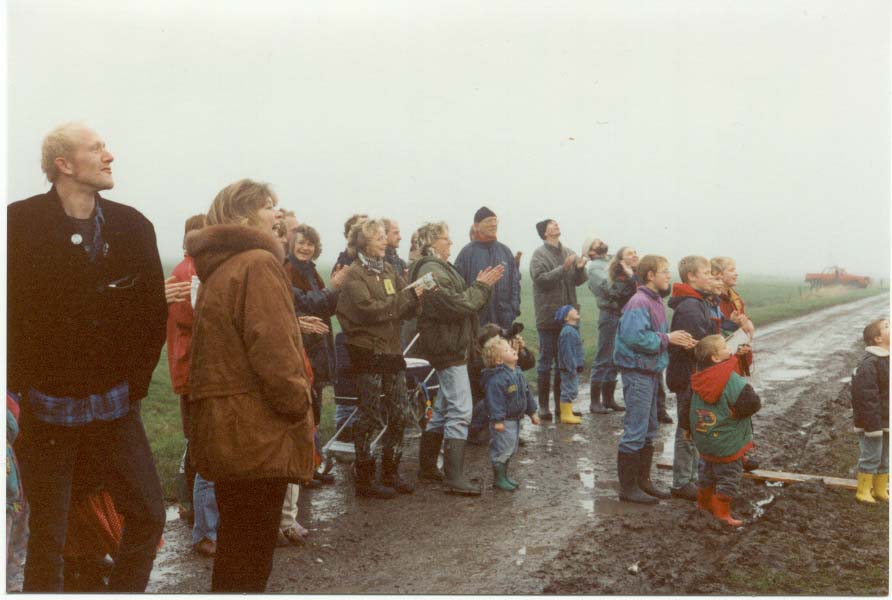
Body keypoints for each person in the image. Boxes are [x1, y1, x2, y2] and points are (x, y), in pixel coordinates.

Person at [7, 124, 167, 592]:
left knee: (148, 514)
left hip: (116, 407)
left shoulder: (132, 225)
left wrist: (134, 384)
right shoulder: (17, 224)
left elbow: (151, 314)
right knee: (48, 535)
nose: (109, 155)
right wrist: (21, 388)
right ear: (64, 164)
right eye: (97, 148)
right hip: (47, 410)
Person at [187, 178, 314, 592]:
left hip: (226, 426)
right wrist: (298, 404)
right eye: (267, 206)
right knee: (252, 555)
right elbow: (274, 351)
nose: (278, 213)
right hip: (257, 430)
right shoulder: (258, 263)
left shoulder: (220, 267)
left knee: (236, 550)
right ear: (242, 216)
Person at [409, 222, 503, 496]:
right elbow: (458, 305)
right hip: (448, 349)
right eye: (446, 239)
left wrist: (478, 289)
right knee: (461, 410)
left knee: (443, 409)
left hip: (450, 346)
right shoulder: (430, 270)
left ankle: (428, 468)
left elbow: (463, 301)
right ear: (431, 242)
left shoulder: (438, 268)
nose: (451, 243)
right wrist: (481, 287)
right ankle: (455, 476)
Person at [336, 219, 423, 499]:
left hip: (391, 350)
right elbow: (368, 310)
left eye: (384, 236)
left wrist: (417, 296)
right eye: (377, 237)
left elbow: (405, 302)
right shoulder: (354, 275)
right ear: (363, 243)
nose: (384, 241)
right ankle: (364, 478)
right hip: (367, 352)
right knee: (370, 415)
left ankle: (390, 471)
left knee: (399, 412)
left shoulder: (388, 269)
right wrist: (404, 299)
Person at [613, 255, 695, 505]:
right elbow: (634, 338)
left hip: (650, 372)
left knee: (649, 430)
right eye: (665, 271)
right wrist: (667, 339)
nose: (668, 275)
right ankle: (628, 488)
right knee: (635, 430)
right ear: (650, 275)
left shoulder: (656, 300)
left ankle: (643, 482)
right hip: (637, 372)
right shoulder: (639, 302)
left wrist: (670, 339)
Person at [166, 213, 219, 558]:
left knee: (201, 447)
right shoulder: (189, 272)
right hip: (195, 369)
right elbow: (191, 318)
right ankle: (203, 530)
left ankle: (200, 519)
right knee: (204, 450)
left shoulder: (196, 269)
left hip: (197, 368)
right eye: (195, 236)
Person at [666, 255, 723, 500]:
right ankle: (681, 482)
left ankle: (691, 477)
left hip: (695, 375)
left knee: (695, 427)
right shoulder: (690, 306)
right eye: (707, 272)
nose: (712, 277)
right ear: (691, 276)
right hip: (689, 376)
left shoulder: (698, 302)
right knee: (687, 428)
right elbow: (697, 345)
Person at [690, 335, 762, 526]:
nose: (728, 348)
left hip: (706, 440)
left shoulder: (697, 379)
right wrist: (736, 414)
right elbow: (752, 404)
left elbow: (685, 409)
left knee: (706, 474)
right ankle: (722, 514)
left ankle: (703, 505)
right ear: (715, 357)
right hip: (728, 444)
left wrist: (687, 428)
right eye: (724, 347)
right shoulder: (730, 380)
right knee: (729, 478)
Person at [530, 219, 588, 422]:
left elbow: (578, 281)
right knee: (546, 361)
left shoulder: (568, 251)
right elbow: (540, 280)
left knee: (565, 361)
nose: (556, 226)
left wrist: (580, 268)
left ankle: (562, 406)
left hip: (569, 318)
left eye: (556, 224)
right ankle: (543, 407)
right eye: (551, 225)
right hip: (548, 316)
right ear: (544, 233)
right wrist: (563, 268)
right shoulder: (538, 255)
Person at [480, 337, 540, 491]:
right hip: (504, 421)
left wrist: (532, 412)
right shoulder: (497, 379)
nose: (513, 350)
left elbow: (526, 394)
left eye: (510, 348)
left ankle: (504, 476)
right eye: (507, 350)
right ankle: (499, 479)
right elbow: (495, 402)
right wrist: (497, 420)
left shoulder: (517, 372)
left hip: (515, 419)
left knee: (511, 448)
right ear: (499, 360)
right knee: (503, 449)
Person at [454, 206, 522, 330]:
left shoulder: (505, 252)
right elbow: (458, 289)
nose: (493, 224)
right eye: (488, 221)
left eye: (495, 220)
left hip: (504, 321)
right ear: (476, 226)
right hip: (476, 324)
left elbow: (515, 284)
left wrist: (513, 309)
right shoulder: (466, 253)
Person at [467, 324, 536, 445]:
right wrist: (510, 354)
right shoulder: (478, 362)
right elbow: (500, 373)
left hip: (493, 407)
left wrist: (520, 350)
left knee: (516, 390)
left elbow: (529, 364)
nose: (504, 343)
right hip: (476, 408)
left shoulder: (498, 357)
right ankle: (474, 432)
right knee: (499, 398)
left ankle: (508, 432)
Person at [584, 239, 627, 414]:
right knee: (604, 355)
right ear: (590, 252)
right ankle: (595, 402)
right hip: (609, 313)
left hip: (621, 311)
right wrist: (626, 285)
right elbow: (609, 287)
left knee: (616, 355)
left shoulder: (612, 261)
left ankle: (609, 399)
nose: (600, 242)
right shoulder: (595, 267)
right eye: (595, 243)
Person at [852, 318, 890, 504]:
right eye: (887, 326)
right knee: (871, 456)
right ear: (877, 339)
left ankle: (880, 489)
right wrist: (872, 426)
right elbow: (866, 398)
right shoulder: (870, 364)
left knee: (885, 457)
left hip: (886, 420)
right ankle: (863, 490)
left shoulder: (887, 360)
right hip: (872, 423)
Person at [555, 305, 585, 425]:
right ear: (566, 317)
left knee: (571, 390)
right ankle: (566, 415)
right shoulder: (568, 332)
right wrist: (572, 367)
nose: (576, 310)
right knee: (569, 390)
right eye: (572, 310)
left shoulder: (572, 330)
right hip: (569, 368)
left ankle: (568, 413)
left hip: (571, 367)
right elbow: (567, 352)